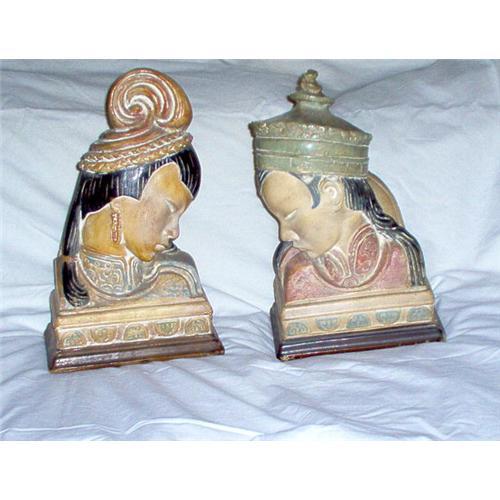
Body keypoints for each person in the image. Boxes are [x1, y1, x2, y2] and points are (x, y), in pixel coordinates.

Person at [257, 169, 428, 302]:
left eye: (290, 216)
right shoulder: (297, 273)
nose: (284, 235)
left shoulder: (399, 257)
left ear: (332, 193)